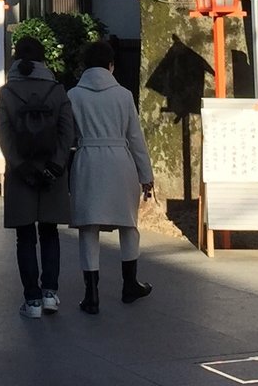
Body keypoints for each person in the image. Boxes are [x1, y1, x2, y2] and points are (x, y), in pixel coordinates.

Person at [67, 38, 154, 314]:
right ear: (111, 65)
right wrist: (146, 175)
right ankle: (130, 284)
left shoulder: (73, 95)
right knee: (128, 225)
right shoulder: (124, 95)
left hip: (87, 161)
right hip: (120, 161)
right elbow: (135, 138)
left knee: (88, 227)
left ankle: (91, 294)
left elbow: (68, 135)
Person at [0, 36, 76, 318]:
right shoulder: (57, 91)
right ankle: (50, 293)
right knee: (50, 233)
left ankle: (32, 301)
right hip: (52, 172)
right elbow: (67, 132)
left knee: (25, 237)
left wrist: (20, 166)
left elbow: (3, 135)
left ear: (16, 59)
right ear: (43, 61)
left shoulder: (6, 93)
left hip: (21, 174)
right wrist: (55, 165)